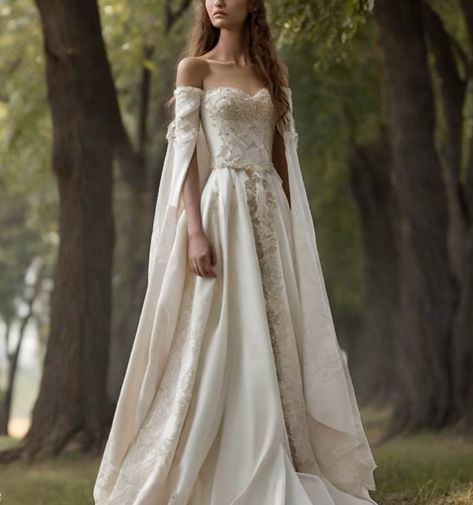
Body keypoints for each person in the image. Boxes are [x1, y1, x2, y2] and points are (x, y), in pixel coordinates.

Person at [93, 1, 379, 504]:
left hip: (267, 212)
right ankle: (213, 452)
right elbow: (183, 155)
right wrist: (195, 232)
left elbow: (280, 157)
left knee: (272, 329)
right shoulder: (194, 68)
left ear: (253, 4)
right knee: (217, 327)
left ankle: (278, 446)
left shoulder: (273, 72)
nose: (218, 0)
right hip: (221, 208)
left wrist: (292, 232)